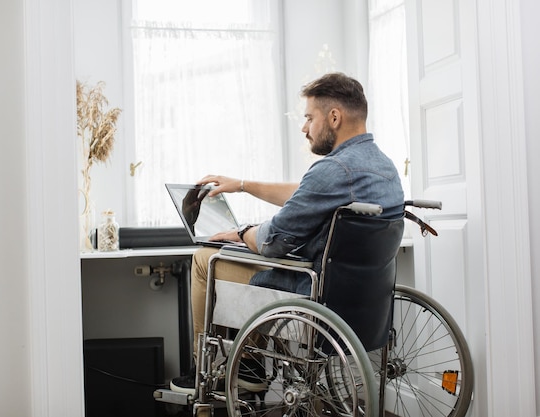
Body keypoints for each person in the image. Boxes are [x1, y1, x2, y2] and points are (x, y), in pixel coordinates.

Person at [170, 72, 405, 394]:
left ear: (333, 117)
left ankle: (209, 371)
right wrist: (242, 185)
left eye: (309, 117)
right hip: (361, 299)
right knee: (242, 255)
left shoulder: (333, 170)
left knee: (204, 258)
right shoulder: (383, 167)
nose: (304, 127)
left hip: (312, 292)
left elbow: (271, 242)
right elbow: (307, 194)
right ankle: (248, 362)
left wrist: (241, 233)